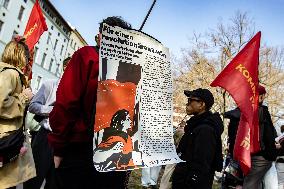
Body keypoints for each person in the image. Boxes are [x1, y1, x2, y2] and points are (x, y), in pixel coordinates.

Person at [47, 16, 132, 189]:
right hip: (115, 157)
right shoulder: (132, 72)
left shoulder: (87, 57)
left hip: (80, 152)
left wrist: (59, 148)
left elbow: (66, 104)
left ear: (101, 36)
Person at [23, 57, 70, 189]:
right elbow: (33, 106)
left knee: (55, 182)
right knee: (33, 180)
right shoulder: (50, 85)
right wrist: (52, 110)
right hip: (46, 138)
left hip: (65, 142)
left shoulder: (78, 92)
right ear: (65, 68)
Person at [0, 36, 35, 188]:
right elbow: (1, 103)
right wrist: (23, 98)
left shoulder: (9, 73)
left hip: (8, 140)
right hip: (5, 141)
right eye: (27, 56)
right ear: (21, 56)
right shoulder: (10, 73)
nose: (28, 60)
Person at [171, 88, 224, 189]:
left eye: (191, 100)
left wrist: (190, 182)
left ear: (201, 105)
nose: (187, 104)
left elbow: (202, 164)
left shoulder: (206, 130)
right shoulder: (195, 125)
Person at [242, 85, 278, 189]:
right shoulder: (261, 111)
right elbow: (268, 135)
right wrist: (272, 152)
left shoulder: (245, 111)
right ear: (261, 96)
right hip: (261, 155)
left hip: (248, 153)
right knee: (252, 185)